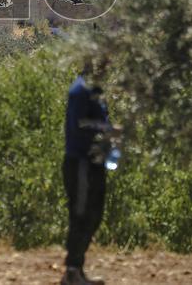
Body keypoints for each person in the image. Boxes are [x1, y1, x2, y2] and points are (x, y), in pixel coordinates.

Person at [62, 68, 117, 285]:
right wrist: (108, 129)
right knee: (81, 214)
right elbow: (78, 125)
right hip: (80, 163)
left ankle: (77, 269)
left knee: (94, 215)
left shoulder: (94, 90)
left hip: (94, 162)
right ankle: (72, 271)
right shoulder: (80, 90)